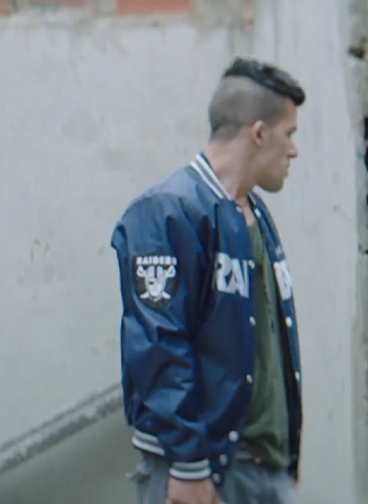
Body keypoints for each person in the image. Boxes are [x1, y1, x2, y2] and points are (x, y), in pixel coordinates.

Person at [111, 57, 307, 504]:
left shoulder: (254, 213)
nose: (294, 150)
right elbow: (160, 343)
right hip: (200, 473)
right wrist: (188, 465)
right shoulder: (168, 212)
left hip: (264, 469)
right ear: (259, 133)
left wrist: (282, 463)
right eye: (290, 134)